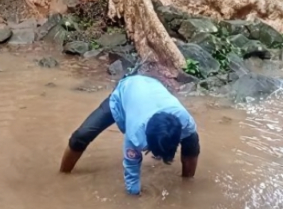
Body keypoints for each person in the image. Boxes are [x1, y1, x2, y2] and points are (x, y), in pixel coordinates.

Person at [60, 74, 200, 195]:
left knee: (192, 142)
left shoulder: (185, 121)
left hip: (152, 85)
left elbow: (189, 141)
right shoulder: (135, 134)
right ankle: (62, 175)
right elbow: (131, 170)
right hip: (124, 93)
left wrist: (187, 191)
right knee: (81, 137)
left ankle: (188, 181)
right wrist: (134, 195)